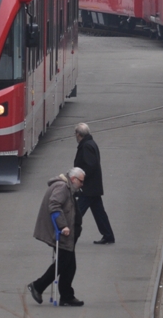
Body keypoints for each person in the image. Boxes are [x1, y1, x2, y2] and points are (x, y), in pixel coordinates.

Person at [28, 167, 86, 307]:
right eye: (81, 182)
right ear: (73, 179)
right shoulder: (62, 188)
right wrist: (62, 226)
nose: (82, 185)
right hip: (61, 233)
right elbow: (54, 205)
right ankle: (38, 286)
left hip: (67, 233)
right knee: (63, 263)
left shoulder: (68, 188)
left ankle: (66, 295)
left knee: (69, 265)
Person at [73, 123, 115, 245]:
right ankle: (108, 235)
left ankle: (67, 234)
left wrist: (80, 179)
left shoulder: (86, 146)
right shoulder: (90, 143)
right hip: (93, 187)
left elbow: (90, 166)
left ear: (79, 134)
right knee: (99, 212)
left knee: (77, 212)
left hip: (88, 188)